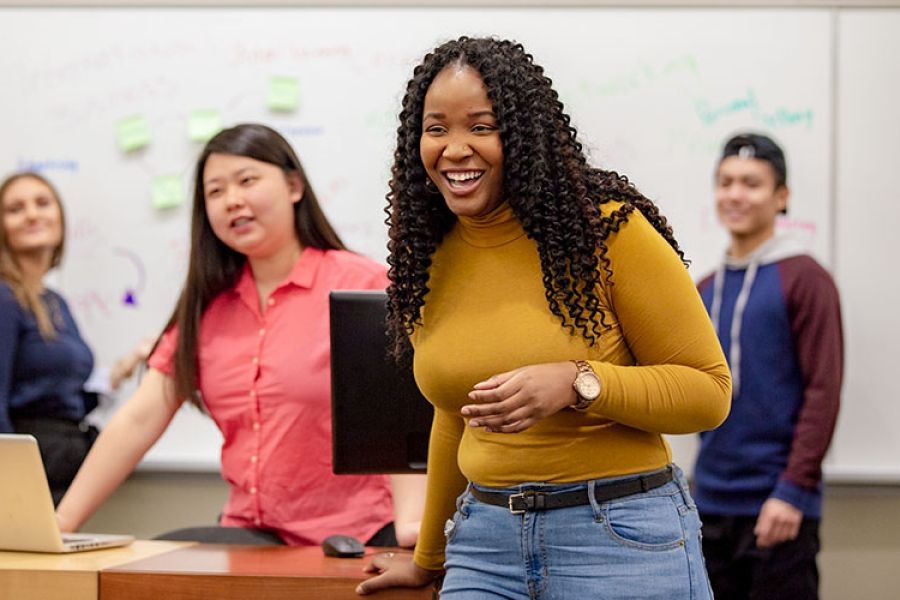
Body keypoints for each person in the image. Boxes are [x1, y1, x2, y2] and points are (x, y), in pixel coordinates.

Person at [357, 37, 732, 598]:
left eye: (481, 127)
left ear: (525, 136)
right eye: (436, 129)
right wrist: (428, 558)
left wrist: (579, 382)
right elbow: (452, 415)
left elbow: (709, 393)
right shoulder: (428, 257)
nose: (455, 148)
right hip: (483, 546)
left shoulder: (608, 233)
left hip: (617, 537)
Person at [56, 123, 424, 547]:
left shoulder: (362, 284)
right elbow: (138, 420)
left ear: (293, 186)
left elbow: (405, 418)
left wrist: (410, 529)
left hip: (355, 534)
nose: (232, 200)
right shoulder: (206, 308)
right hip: (250, 532)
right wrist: (60, 523)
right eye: (215, 191)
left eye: (247, 181)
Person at [693, 133, 843, 600]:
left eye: (752, 184)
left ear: (781, 196)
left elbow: (823, 390)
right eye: (726, 182)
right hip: (708, 500)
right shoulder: (705, 288)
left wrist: (793, 490)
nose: (735, 194)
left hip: (778, 504)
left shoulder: (806, 280)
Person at [0, 172, 147, 505]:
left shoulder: (54, 302)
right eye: (15, 208)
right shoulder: (4, 299)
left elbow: (66, 400)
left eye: (43, 203)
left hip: (62, 466)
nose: (33, 214)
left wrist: (124, 368)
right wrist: (11, 490)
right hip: (26, 475)